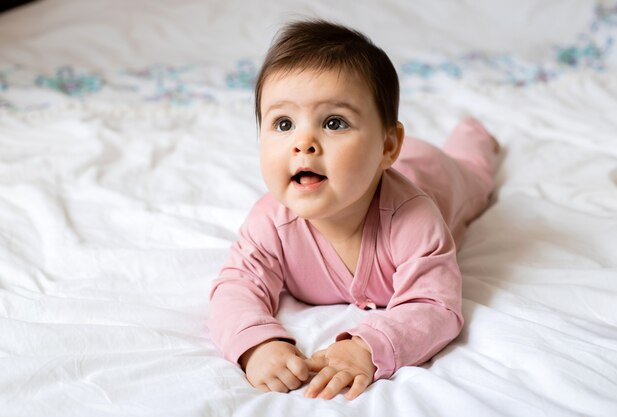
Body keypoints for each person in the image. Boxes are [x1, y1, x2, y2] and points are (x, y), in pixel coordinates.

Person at [208, 19, 500, 400]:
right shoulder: (270, 223)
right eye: (283, 123)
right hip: (380, 167)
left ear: (387, 146)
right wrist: (255, 344)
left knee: (476, 175)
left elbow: (434, 306)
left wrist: (367, 346)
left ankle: (473, 134)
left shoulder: (413, 220)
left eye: (334, 122)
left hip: (434, 173)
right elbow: (235, 288)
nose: (303, 143)